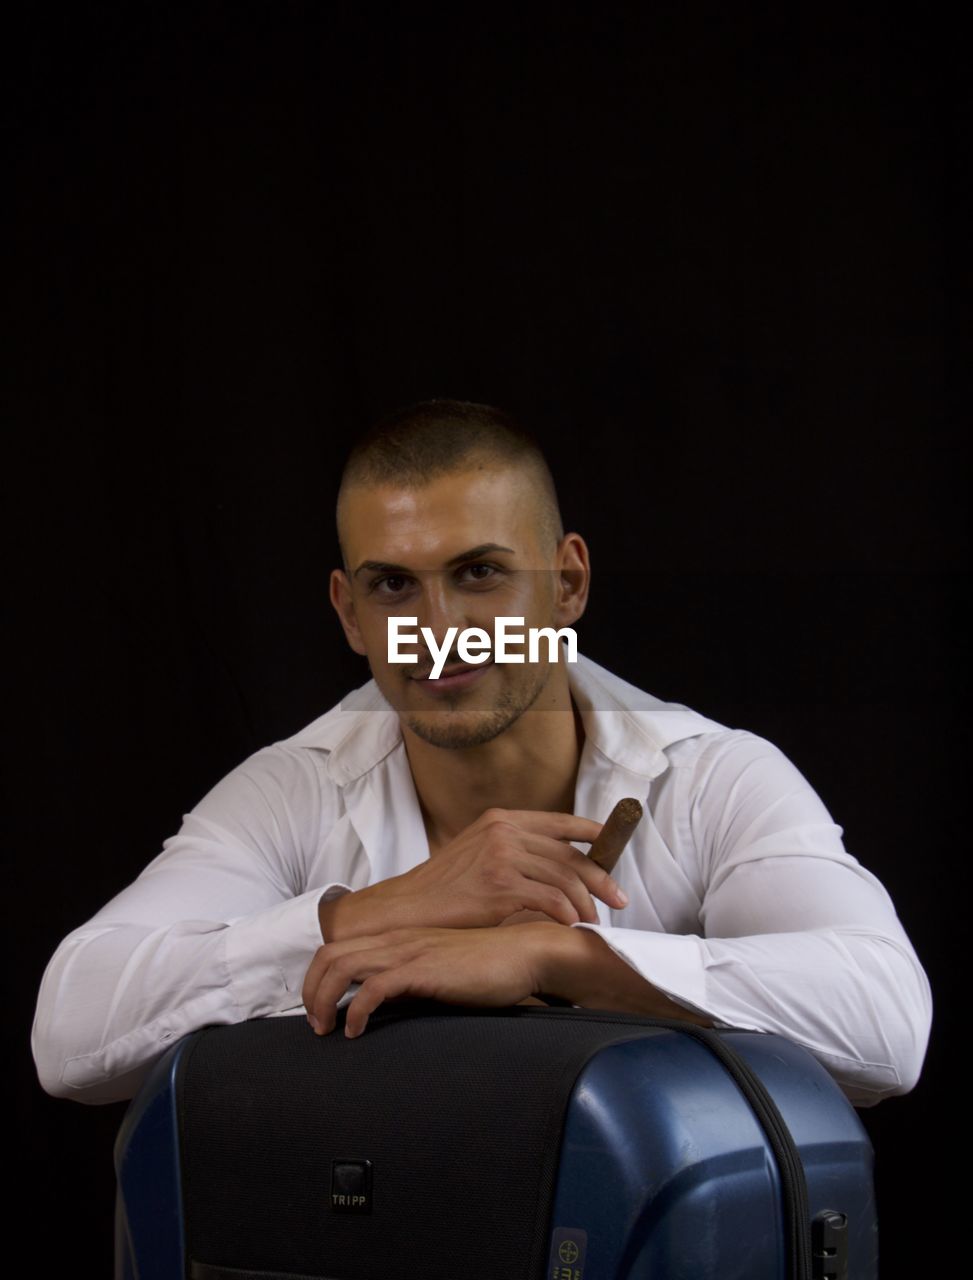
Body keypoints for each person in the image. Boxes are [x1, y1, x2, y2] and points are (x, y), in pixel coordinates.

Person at [31, 398, 932, 1108]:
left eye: (479, 573)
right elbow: (70, 1034)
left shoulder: (711, 778)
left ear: (567, 582)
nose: (439, 631)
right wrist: (379, 911)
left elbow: (887, 1024)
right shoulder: (296, 786)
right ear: (348, 613)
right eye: (393, 586)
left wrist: (557, 962)